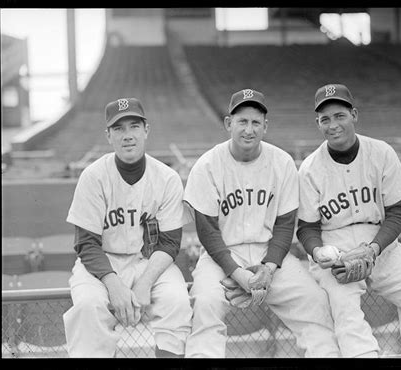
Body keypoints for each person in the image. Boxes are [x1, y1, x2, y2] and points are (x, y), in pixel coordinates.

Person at [183, 88, 340, 358]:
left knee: (314, 303)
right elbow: (207, 232)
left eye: (256, 122)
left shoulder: (281, 162)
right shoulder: (207, 165)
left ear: (265, 126)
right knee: (205, 306)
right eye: (242, 121)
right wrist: (238, 273)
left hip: (271, 256)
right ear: (228, 124)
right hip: (221, 255)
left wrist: (268, 269)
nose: (249, 129)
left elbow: (285, 224)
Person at [296, 83, 401, 358]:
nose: (333, 125)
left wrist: (372, 249)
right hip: (335, 246)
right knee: (345, 311)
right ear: (317, 123)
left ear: (354, 114)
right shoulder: (309, 168)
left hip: (381, 242)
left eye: (340, 115)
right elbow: (307, 227)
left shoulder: (381, 153)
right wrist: (318, 252)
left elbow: (398, 212)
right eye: (325, 119)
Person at [63, 97, 192, 358]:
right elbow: (85, 243)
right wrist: (114, 285)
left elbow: (169, 242)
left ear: (146, 130)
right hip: (101, 262)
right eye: (119, 128)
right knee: (88, 307)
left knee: (176, 302)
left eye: (134, 126)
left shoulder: (166, 178)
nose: (127, 135)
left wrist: (144, 283)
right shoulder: (93, 176)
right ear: (108, 135)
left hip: (149, 262)